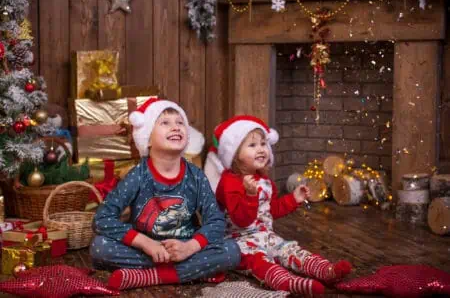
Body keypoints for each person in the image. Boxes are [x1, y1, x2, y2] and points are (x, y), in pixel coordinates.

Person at [90, 98, 241, 291]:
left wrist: (190, 247)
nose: (176, 127)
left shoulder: (196, 176)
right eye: (165, 123)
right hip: (146, 249)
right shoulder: (137, 175)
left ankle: (151, 276)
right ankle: (187, 273)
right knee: (99, 247)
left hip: (185, 248)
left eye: (180, 123)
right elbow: (102, 219)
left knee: (232, 251)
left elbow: (216, 221)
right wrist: (145, 243)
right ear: (147, 138)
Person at [204, 115, 352, 297]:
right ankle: (290, 283)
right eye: (252, 145)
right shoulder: (230, 182)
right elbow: (241, 220)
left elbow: (271, 210)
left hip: (266, 235)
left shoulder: (264, 181)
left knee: (289, 249)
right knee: (259, 262)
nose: (261, 149)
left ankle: (324, 270)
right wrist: (250, 196)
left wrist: (293, 199)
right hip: (238, 242)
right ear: (235, 154)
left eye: (263, 144)